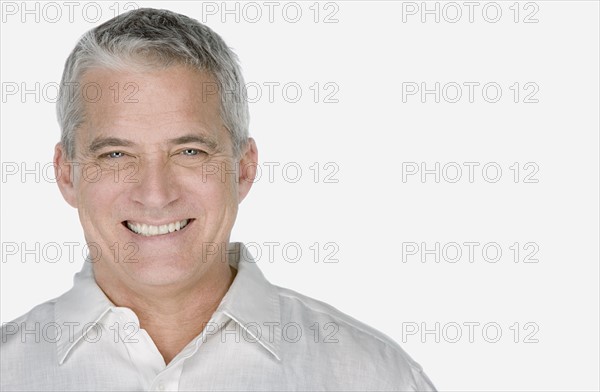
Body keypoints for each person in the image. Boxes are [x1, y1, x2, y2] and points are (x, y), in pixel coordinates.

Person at [1, 8, 436, 391]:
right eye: (116, 154)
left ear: (243, 168)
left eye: (190, 152)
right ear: (66, 173)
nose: (156, 195)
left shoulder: (375, 378)